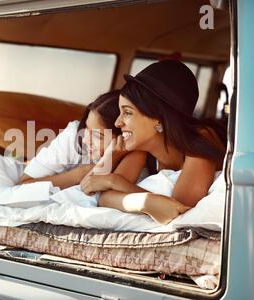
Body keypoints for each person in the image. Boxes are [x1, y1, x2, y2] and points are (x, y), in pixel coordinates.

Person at [85, 60, 226, 224]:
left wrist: (114, 181)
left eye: (127, 113)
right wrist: (145, 202)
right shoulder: (141, 147)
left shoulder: (202, 138)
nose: (117, 123)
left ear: (158, 119)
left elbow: (178, 210)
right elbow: (105, 198)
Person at [19, 90, 147, 190]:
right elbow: (25, 184)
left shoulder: (136, 155)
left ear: (124, 136)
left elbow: (100, 200)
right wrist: (82, 173)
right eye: (87, 128)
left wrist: (109, 160)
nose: (86, 140)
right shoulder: (74, 135)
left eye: (98, 136)